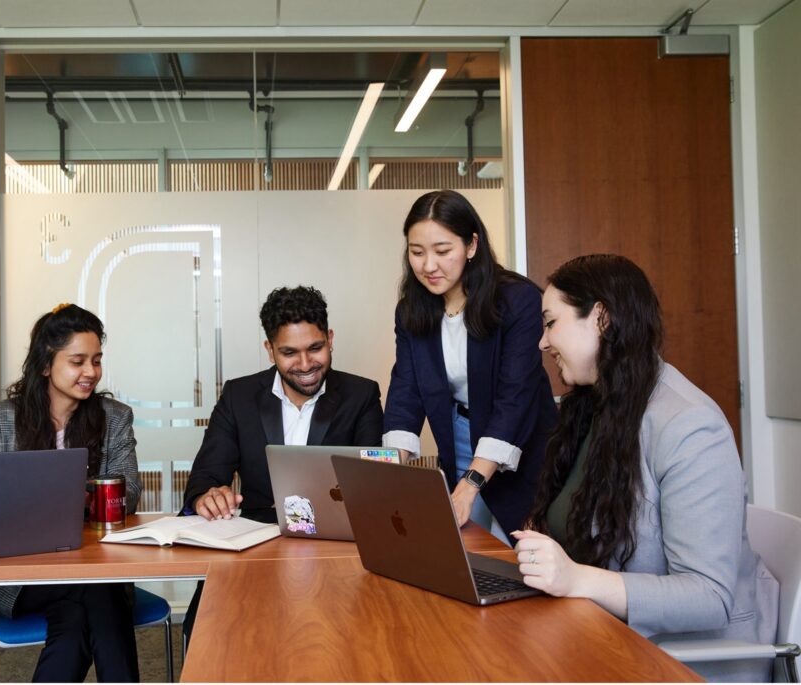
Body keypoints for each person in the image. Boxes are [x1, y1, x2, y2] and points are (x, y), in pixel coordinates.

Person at [514, 254, 778, 682]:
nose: (543, 342)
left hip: (681, 662)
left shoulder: (690, 426)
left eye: (551, 323)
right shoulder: (594, 409)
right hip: (603, 636)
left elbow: (708, 596)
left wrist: (575, 578)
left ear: (600, 318)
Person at [180, 285, 383, 637]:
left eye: (315, 348)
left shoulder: (361, 395)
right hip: (256, 543)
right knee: (210, 629)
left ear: (330, 338)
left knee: (346, 634)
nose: (305, 365)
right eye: (289, 353)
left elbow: (373, 485)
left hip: (335, 547)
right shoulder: (239, 396)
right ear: (270, 350)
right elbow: (206, 475)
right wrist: (208, 496)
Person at [0, 303, 142, 683]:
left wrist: (47, 499)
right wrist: (79, 497)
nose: (91, 372)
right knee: (97, 592)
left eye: (96, 360)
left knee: (78, 613)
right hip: (20, 575)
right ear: (46, 364)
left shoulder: (114, 417)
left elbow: (129, 492)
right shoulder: (0, 420)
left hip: (92, 566)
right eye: (78, 361)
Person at [383, 190, 557, 538]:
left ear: (471, 245)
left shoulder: (517, 300)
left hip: (520, 442)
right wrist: (387, 476)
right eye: (417, 253)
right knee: (467, 545)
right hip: (459, 435)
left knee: (521, 545)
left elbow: (515, 399)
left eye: (443, 251)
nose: (428, 266)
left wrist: (472, 481)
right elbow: (406, 392)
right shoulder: (412, 311)